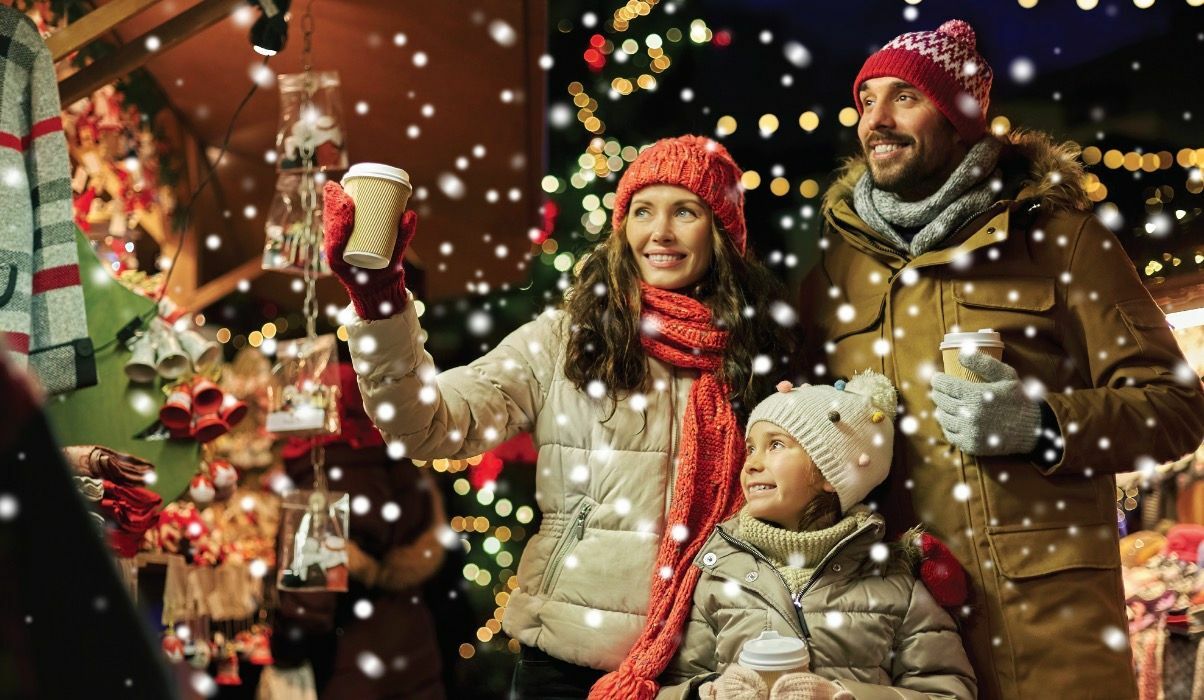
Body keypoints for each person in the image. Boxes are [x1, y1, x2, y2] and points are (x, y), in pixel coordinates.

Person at [795, 19, 1204, 699]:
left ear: (960, 118)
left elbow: (1177, 407)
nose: (878, 120)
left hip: (1049, 638)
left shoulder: (1060, 239)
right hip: (897, 648)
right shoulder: (836, 268)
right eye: (867, 100)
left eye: (906, 98)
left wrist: (1040, 426)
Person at [321, 135, 795, 699]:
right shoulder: (567, 339)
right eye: (643, 211)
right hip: (565, 666)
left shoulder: (755, 354)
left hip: (705, 669)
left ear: (720, 233)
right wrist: (379, 302)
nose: (659, 233)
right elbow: (426, 424)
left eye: (685, 212)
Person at [658, 372, 976, 700]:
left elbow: (949, 693)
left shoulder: (894, 582)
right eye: (751, 448)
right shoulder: (719, 573)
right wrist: (706, 693)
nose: (751, 463)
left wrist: (843, 696)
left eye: (775, 445)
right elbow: (674, 683)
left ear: (830, 473)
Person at [270, 363, 447, 700]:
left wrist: (282, 649)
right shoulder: (400, 465)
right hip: (413, 652)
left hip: (350, 668)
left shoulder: (321, 477)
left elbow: (308, 604)